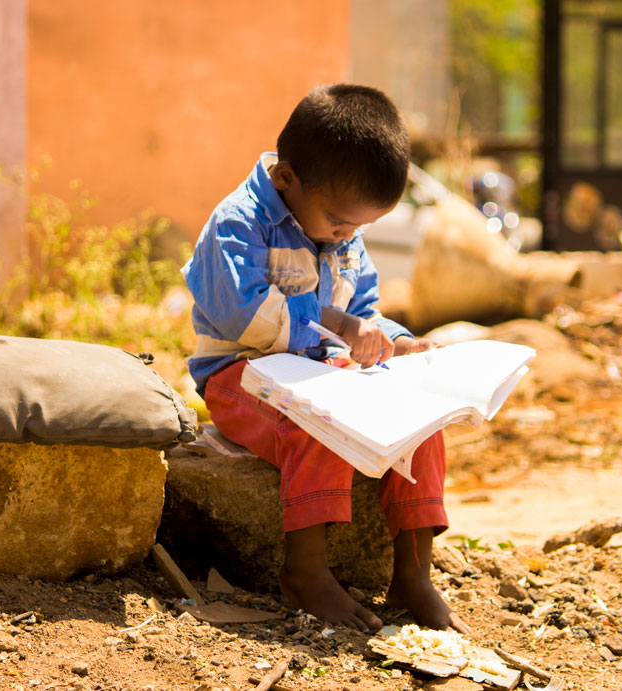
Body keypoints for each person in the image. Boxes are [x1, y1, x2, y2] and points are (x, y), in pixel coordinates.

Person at [182, 83, 466, 633]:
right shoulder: (236, 225)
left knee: (422, 426)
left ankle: (413, 575)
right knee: (320, 423)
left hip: (320, 373)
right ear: (287, 179)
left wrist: (396, 341)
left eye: (360, 227)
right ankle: (306, 571)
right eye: (340, 222)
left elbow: (363, 309)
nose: (347, 234)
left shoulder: (341, 232)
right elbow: (245, 316)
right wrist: (339, 324)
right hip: (239, 377)